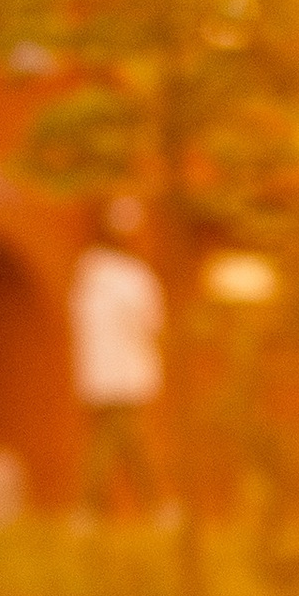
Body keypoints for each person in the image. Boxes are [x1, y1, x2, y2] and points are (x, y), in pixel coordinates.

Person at [70, 204, 166, 512]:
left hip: (100, 374)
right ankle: (149, 505)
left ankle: (98, 508)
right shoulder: (133, 278)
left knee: (118, 440)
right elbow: (153, 323)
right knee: (124, 440)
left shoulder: (87, 274)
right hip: (126, 374)